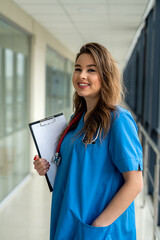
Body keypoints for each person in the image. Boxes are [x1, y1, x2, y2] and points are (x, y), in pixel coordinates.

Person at [33, 42, 143, 240]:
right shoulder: (77, 120)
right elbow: (77, 166)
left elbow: (135, 183)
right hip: (68, 218)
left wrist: (98, 226)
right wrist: (47, 166)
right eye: (78, 69)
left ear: (105, 76)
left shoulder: (118, 120)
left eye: (91, 70)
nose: (82, 75)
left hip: (98, 228)